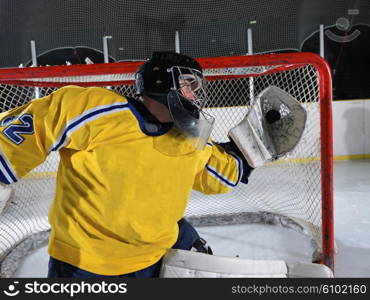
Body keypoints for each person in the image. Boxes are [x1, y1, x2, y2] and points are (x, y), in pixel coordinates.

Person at [0, 51, 253, 277]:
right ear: (162, 82)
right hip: (85, 266)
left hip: (156, 257)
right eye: (189, 84)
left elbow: (219, 175)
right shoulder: (96, 111)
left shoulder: (189, 137)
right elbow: (30, 130)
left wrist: (252, 151)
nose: (194, 95)